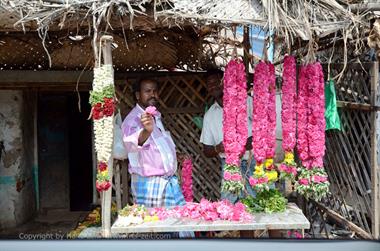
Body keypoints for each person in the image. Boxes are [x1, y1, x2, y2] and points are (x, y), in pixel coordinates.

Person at [122, 78, 186, 208]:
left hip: (167, 183)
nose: (153, 95)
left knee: (176, 225)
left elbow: (157, 147)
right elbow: (132, 145)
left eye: (155, 91)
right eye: (147, 91)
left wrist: (174, 155)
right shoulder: (132, 119)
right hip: (149, 184)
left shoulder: (155, 116)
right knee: (155, 226)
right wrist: (147, 130)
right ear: (138, 95)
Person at [200, 69, 256, 203]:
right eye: (209, 84)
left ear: (225, 82)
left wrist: (248, 141)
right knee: (229, 207)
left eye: (216, 82)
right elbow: (207, 151)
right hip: (229, 166)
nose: (213, 86)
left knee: (258, 204)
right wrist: (218, 148)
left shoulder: (246, 101)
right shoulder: (210, 115)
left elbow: (264, 129)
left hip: (253, 162)